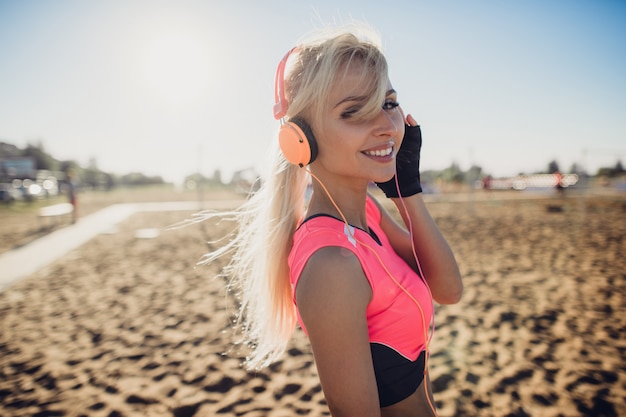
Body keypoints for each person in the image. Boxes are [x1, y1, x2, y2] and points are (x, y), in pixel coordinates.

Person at [201, 24, 463, 417]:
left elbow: (448, 288)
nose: (385, 126)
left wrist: (407, 193)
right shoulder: (331, 266)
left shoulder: (368, 214)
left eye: (388, 103)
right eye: (354, 111)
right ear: (299, 140)